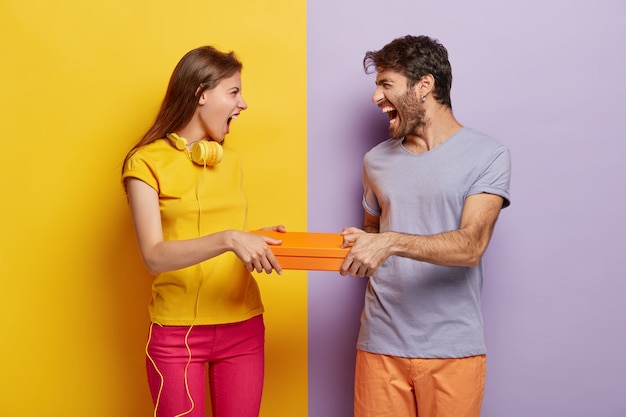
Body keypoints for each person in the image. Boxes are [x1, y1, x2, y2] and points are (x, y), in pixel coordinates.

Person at [339, 35, 511, 417]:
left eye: (386, 85)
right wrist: (361, 242)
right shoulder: (375, 161)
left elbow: (471, 246)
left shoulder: (487, 155)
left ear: (424, 86)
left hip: (453, 348)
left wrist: (390, 243)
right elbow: (373, 231)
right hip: (380, 343)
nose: (376, 97)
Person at [121, 45, 284, 417]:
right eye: (234, 92)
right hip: (177, 336)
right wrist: (230, 238)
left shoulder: (231, 162)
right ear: (201, 93)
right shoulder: (144, 163)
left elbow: (214, 232)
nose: (243, 104)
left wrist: (253, 238)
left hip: (243, 327)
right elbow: (153, 255)